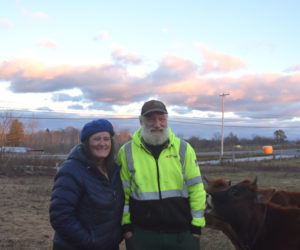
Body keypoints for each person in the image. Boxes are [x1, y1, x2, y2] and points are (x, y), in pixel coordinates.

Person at [117, 100, 206, 250]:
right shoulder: (126, 152)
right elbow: (122, 194)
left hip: (182, 234)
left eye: (161, 118)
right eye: (151, 119)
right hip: (142, 235)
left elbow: (196, 188)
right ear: (141, 121)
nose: (157, 124)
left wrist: (197, 226)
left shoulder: (184, 149)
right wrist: (126, 227)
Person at [50, 119, 124, 250]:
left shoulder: (114, 170)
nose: (102, 144)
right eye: (96, 139)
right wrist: (90, 243)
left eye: (106, 139)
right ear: (86, 143)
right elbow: (60, 216)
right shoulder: (71, 170)